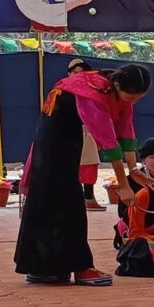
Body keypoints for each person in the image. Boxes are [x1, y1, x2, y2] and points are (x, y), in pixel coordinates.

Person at [15, 64, 149, 286]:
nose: (133, 101)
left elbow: (126, 132)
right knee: (65, 202)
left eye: (138, 98)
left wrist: (134, 171)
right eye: (131, 96)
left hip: (70, 139)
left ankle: (52, 268)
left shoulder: (117, 93)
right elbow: (110, 144)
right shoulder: (91, 93)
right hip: (54, 142)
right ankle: (78, 267)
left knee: (58, 201)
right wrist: (124, 186)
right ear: (117, 85)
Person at [113, 137, 154, 249]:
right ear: (143, 161)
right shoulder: (130, 181)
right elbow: (122, 212)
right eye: (152, 157)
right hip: (138, 226)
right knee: (139, 245)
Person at [66, 59, 106, 212]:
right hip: (67, 133)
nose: (78, 76)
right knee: (69, 168)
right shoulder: (61, 91)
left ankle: (89, 198)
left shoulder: (92, 92)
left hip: (88, 132)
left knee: (90, 165)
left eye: (82, 73)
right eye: (75, 73)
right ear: (69, 74)